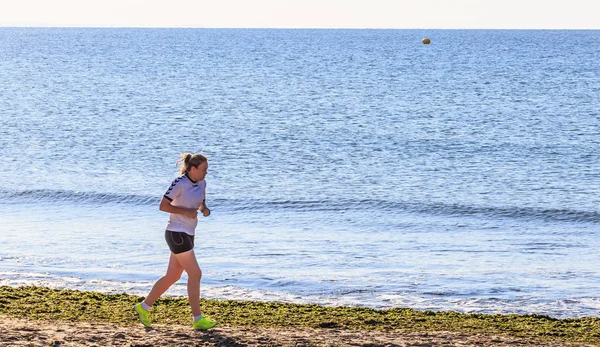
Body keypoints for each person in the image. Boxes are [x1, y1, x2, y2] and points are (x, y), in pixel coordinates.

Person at [135, 153, 217, 330]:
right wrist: (185, 212)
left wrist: (205, 209)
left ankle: (143, 307)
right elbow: (163, 206)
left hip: (188, 233)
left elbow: (201, 203)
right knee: (195, 274)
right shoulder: (180, 183)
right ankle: (198, 319)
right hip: (176, 233)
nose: (206, 173)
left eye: (207, 170)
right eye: (203, 170)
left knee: (173, 276)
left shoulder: (202, 182)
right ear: (193, 169)